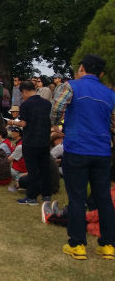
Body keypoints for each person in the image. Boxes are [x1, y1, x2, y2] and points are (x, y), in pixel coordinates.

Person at [50, 54, 115, 260]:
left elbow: (57, 108)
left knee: (77, 198)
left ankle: (77, 244)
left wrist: (56, 124)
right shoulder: (109, 93)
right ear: (102, 73)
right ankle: (108, 245)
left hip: (77, 147)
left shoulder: (72, 86)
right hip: (103, 150)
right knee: (103, 198)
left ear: (81, 68)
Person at [7, 80, 53, 205]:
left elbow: (23, 123)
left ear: (25, 91)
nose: (23, 96)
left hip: (31, 140)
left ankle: (32, 197)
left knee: (33, 170)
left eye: (22, 94)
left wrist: (12, 122)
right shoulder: (47, 104)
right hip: (44, 140)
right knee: (45, 169)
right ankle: (46, 195)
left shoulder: (26, 105)